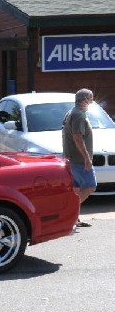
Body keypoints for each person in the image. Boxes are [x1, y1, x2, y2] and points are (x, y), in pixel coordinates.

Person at [62, 88, 97, 228]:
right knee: (90, 187)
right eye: (90, 98)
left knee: (76, 189)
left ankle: (74, 219)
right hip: (79, 160)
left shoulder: (73, 112)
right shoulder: (78, 115)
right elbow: (77, 138)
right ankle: (68, 213)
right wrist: (87, 158)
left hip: (73, 159)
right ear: (84, 100)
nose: (92, 101)